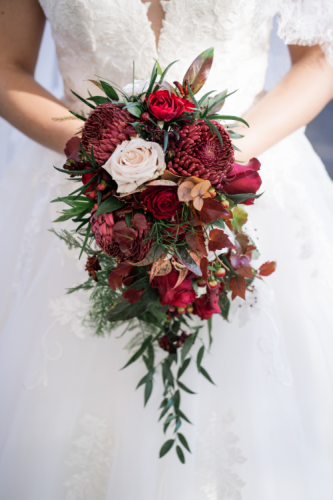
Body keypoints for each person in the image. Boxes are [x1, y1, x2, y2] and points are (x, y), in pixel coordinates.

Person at [0, 0, 333, 498]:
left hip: (249, 181)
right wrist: (108, 159)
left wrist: (221, 162)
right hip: (82, 190)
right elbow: (7, 63)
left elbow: (318, 58)